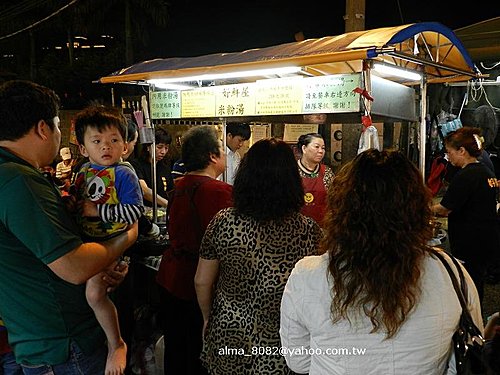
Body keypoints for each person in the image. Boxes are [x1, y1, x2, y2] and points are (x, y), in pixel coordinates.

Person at [280, 149, 484, 375]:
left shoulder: (308, 274)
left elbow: (298, 362)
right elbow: (470, 346)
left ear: (341, 209)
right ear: (416, 207)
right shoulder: (450, 271)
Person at [0, 80, 137, 374]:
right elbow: (74, 266)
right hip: (63, 345)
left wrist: (101, 262)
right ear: (42, 128)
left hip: (42, 338)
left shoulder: (16, 174)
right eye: (58, 125)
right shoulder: (17, 180)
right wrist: (126, 237)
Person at [195, 138, 323, 375]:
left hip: (228, 334)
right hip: (283, 341)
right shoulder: (309, 231)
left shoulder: (224, 222)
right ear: (292, 180)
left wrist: (207, 317)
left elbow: (202, 280)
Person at [72, 105, 145, 374]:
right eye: (97, 141)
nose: (106, 147)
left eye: (114, 140)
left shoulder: (124, 174)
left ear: (125, 146)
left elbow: (135, 211)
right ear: (83, 148)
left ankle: (116, 343)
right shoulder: (81, 173)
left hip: (111, 243)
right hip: (87, 244)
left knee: (94, 293)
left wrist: (97, 210)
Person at [156, 126, 232, 375]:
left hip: (170, 280)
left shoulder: (179, 185)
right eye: (221, 148)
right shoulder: (220, 192)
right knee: (199, 354)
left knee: (176, 352)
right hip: (200, 284)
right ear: (212, 155)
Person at [432, 127, 500, 303]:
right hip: (487, 238)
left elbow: (445, 208)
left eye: (449, 152)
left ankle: (471, 322)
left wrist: (422, 209)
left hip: (470, 241)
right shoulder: (488, 173)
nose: (448, 157)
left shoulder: (466, 176)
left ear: (461, 151)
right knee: (477, 281)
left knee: (468, 283)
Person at [296, 133, 334, 226]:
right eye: (316, 147)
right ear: (304, 148)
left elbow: (335, 200)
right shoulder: (292, 171)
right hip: (297, 229)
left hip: (323, 227)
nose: (321, 151)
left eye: (323, 148)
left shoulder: (327, 172)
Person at [130, 127, 174, 208]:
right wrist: (167, 204)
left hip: (161, 211)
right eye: (159, 147)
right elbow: (144, 191)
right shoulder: (136, 165)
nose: (163, 152)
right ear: (148, 147)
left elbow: (170, 191)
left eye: (166, 148)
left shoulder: (164, 167)